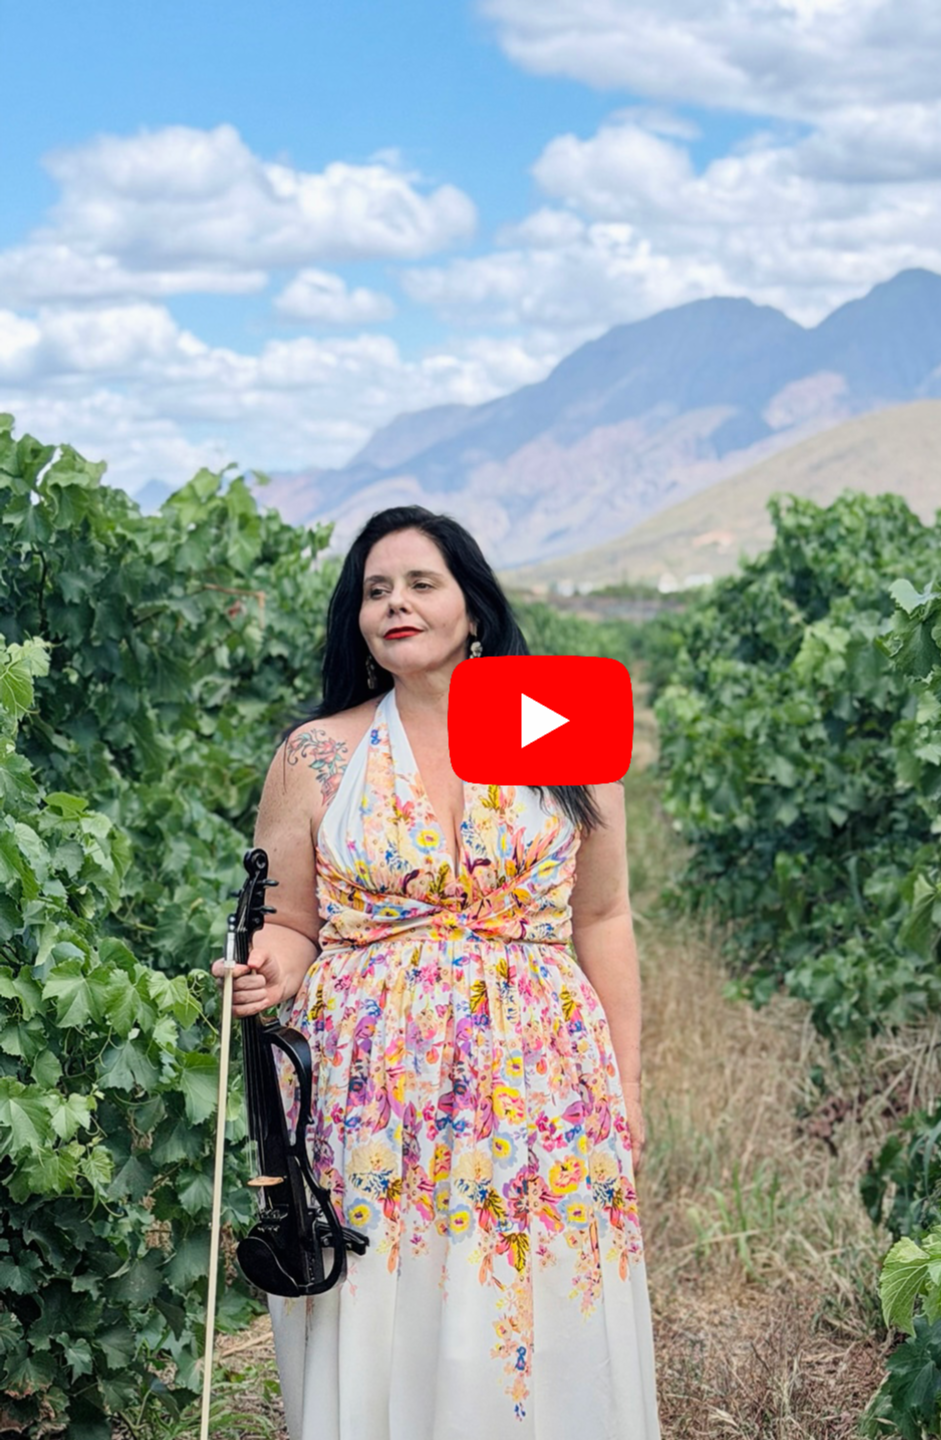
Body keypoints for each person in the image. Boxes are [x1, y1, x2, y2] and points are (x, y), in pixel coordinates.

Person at [212, 504, 661, 1440]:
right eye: (375, 590)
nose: (396, 604)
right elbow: (295, 922)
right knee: (389, 1300)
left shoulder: (562, 733)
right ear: (357, 619)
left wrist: (625, 1085)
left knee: (528, 1295)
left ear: (474, 609)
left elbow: (604, 917)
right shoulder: (318, 753)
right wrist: (267, 969)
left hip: (539, 1081)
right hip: (372, 1092)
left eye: (421, 583)